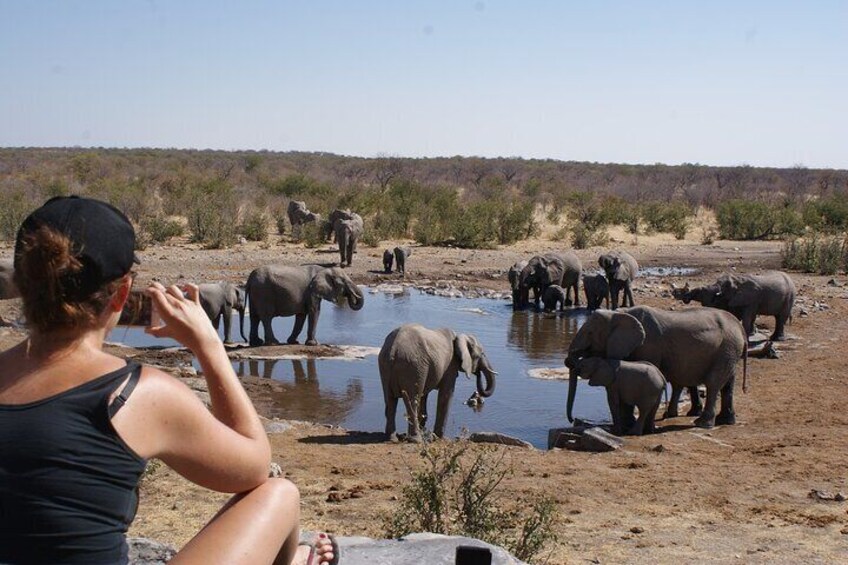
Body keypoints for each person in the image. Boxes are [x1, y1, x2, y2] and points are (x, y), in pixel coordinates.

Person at [0, 196, 337, 565]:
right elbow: (253, 468)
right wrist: (208, 346)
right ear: (123, 293)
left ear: (21, 283)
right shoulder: (138, 393)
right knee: (279, 493)